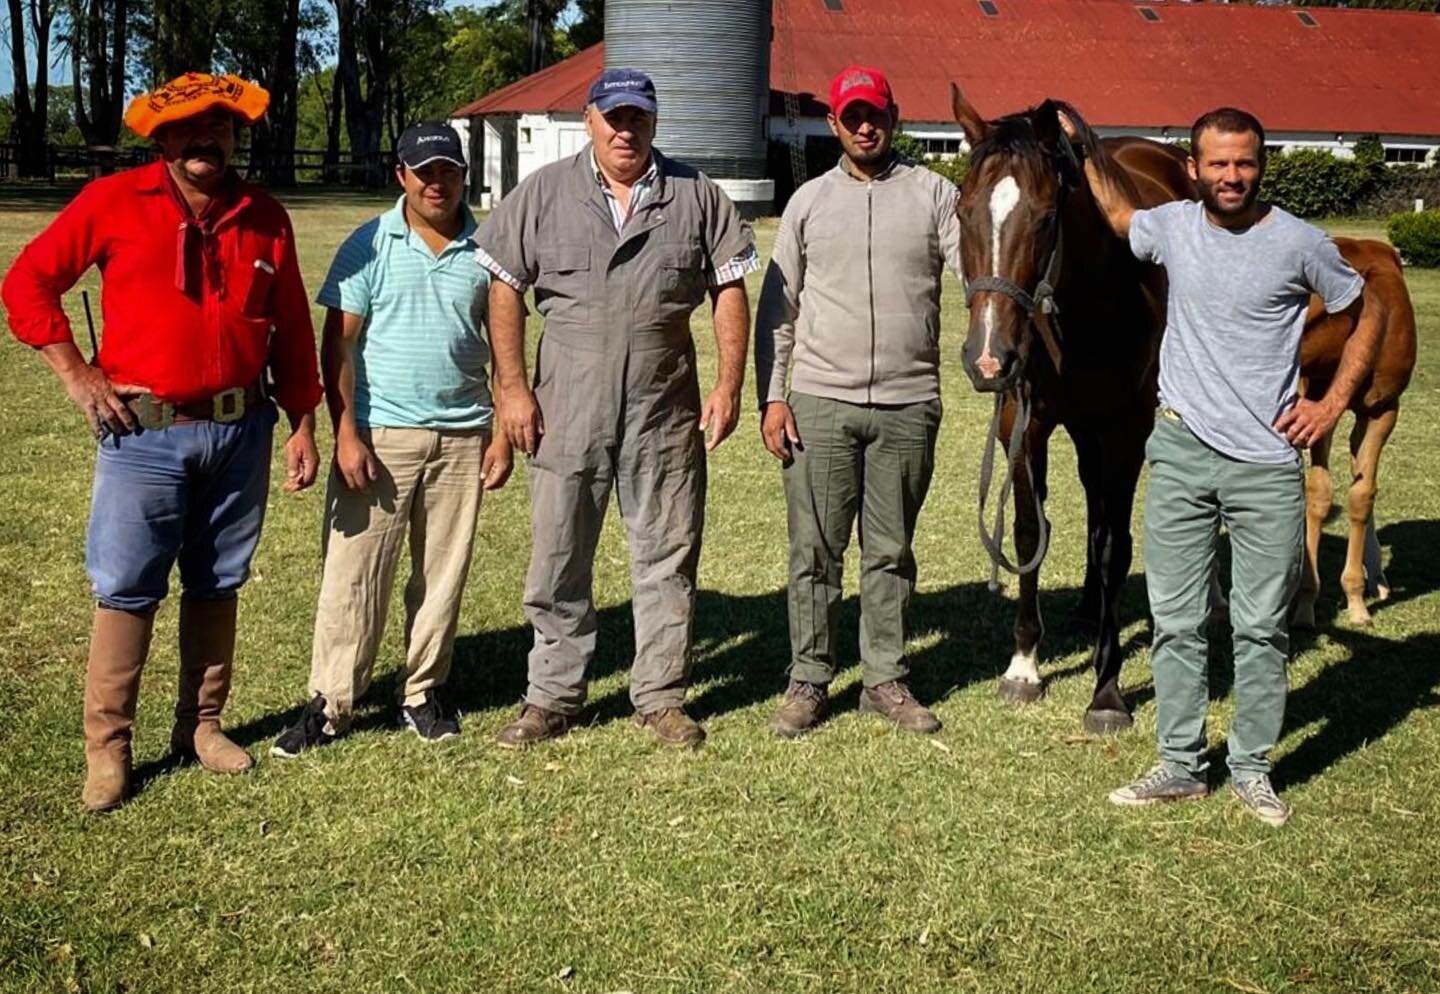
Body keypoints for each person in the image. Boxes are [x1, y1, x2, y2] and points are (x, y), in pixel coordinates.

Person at [1, 72, 322, 812]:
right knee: (128, 587)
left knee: (219, 580)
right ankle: (108, 750)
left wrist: (303, 420)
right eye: (191, 127)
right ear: (164, 137)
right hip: (142, 435)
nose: (208, 137)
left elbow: (293, 328)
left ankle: (200, 727)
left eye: (222, 125)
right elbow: (27, 284)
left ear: (236, 135)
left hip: (241, 431)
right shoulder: (112, 203)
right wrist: (77, 374)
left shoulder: (265, 216)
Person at [1066, 106, 1376, 827]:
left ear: (1261, 165)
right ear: (1195, 167)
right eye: (1218, 164)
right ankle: (1179, 764)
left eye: (1244, 163)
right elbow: (1116, 212)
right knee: (1174, 622)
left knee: (1260, 626)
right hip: (1177, 452)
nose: (1231, 176)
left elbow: (1369, 309)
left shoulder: (1298, 242)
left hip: (1266, 464)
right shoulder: (1170, 224)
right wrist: (1080, 144)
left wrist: (1330, 406)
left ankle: (1251, 768)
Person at [473, 68, 758, 749]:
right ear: (590, 120)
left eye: (637, 118)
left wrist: (728, 386)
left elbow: (729, 289)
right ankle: (552, 696)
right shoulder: (544, 193)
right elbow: (504, 286)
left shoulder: (695, 195)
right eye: (613, 117)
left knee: (666, 555)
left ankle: (661, 695)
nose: (625, 129)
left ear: (655, 123)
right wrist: (512, 390)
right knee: (558, 555)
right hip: (565, 407)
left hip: (664, 407)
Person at [271, 123, 512, 757]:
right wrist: (346, 431)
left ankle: (423, 692)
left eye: (449, 171)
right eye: (424, 172)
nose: (438, 183)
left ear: (465, 175)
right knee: (355, 574)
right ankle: (332, 701)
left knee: (442, 575)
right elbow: (339, 342)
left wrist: (500, 432)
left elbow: (504, 346)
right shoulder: (369, 243)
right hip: (381, 437)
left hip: (464, 435)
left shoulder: (489, 248)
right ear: (401, 176)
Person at [754, 65, 961, 738]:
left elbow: (982, 273)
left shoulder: (936, 195)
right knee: (814, 550)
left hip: (908, 403)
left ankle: (885, 679)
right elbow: (778, 309)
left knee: (891, 551)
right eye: (852, 115)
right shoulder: (809, 202)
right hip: (819, 401)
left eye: (875, 113)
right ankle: (809, 679)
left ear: (893, 117)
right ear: (835, 123)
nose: (864, 125)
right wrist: (773, 397)